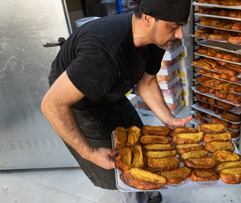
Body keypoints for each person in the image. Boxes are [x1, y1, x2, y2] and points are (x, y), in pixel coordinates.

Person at [41, 0, 191, 201]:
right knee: (120, 166)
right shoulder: (104, 52)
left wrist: (169, 119)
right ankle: (135, 197)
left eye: (181, 25)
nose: (181, 34)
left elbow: (146, 82)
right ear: (147, 19)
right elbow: (52, 104)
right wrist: (91, 152)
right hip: (77, 100)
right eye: (174, 26)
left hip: (111, 87)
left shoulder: (156, 38)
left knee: (137, 140)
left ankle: (149, 191)